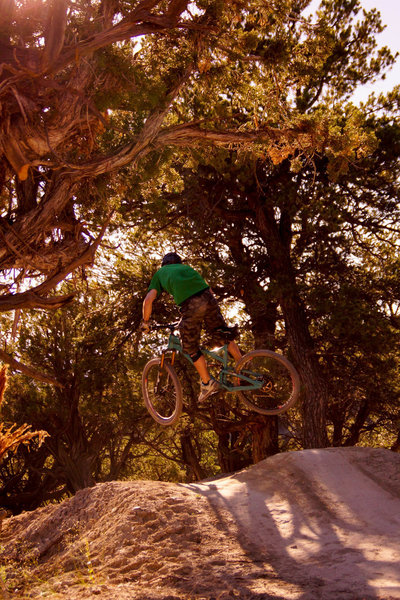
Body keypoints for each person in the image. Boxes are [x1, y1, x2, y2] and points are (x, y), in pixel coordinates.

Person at [141, 252, 242, 402]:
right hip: (209, 298)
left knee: (189, 346)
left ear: (164, 264)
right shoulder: (187, 269)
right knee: (222, 333)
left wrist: (145, 322)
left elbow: (148, 300)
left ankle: (208, 383)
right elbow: (210, 291)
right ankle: (243, 366)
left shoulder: (160, 273)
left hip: (191, 304)